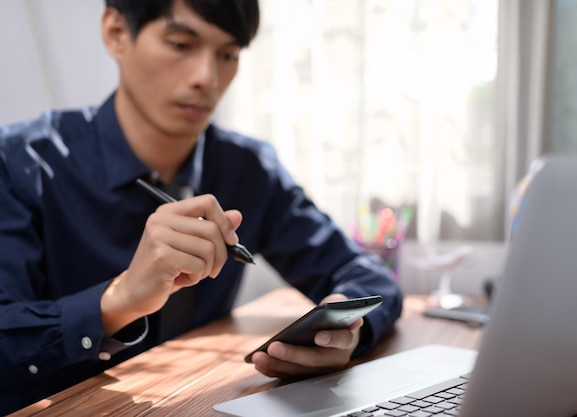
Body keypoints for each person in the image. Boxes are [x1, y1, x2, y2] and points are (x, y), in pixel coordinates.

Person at [0, 0, 403, 413]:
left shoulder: (248, 169)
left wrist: (349, 329)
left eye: (228, 54)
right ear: (117, 33)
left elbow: (367, 275)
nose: (206, 78)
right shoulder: (18, 163)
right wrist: (120, 300)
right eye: (180, 44)